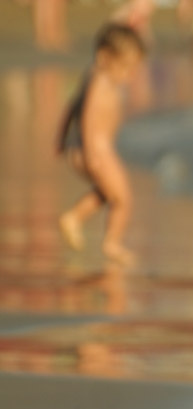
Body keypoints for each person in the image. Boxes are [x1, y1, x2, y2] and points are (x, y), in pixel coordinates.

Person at [57, 23, 146, 266]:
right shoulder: (101, 81)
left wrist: (61, 139)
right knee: (123, 198)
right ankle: (111, 243)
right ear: (104, 57)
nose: (129, 75)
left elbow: (72, 108)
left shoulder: (97, 78)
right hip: (96, 149)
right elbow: (87, 117)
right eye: (125, 67)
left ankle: (74, 219)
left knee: (109, 193)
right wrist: (92, 154)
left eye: (133, 68)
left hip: (92, 148)